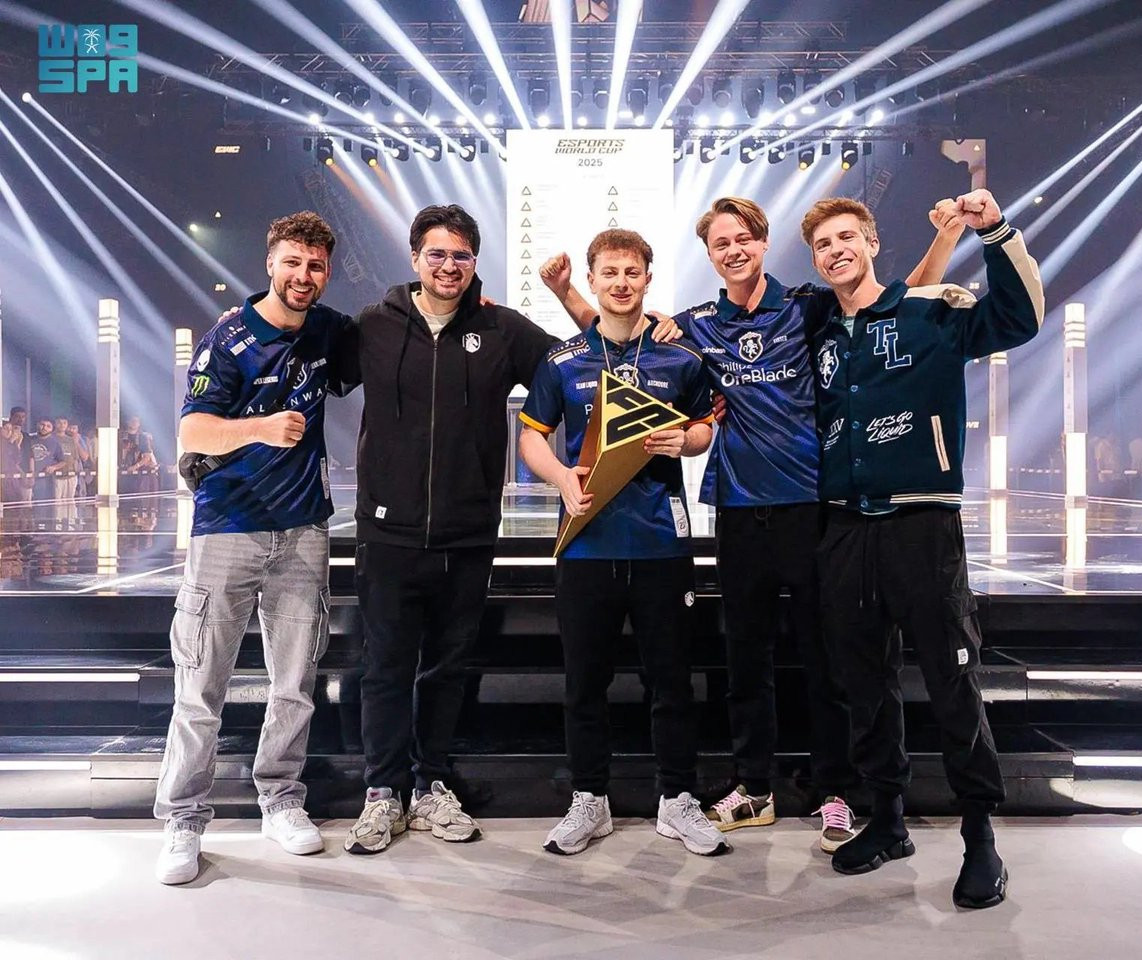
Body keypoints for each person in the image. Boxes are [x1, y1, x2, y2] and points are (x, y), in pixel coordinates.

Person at [541, 196, 961, 850]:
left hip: (812, 510)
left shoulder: (807, 306)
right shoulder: (695, 326)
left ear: (763, 244)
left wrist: (949, 237)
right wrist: (569, 292)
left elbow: (894, 301)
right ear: (710, 255)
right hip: (737, 511)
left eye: (743, 239)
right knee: (746, 661)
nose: (733, 250)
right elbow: (614, 333)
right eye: (720, 244)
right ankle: (754, 787)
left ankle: (835, 792)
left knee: (825, 661)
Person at [802, 191, 1042, 908]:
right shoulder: (819, 334)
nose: (836, 250)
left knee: (952, 681)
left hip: (922, 527)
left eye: (847, 236)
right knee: (865, 684)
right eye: (823, 244)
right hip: (844, 529)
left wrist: (994, 231)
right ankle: (888, 820)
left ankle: (981, 839)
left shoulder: (930, 313)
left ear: (872, 242)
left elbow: (1020, 317)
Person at [337, 204, 572, 855]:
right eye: (436, 254)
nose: (448, 266)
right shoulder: (374, 326)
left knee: (446, 669)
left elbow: (576, 366)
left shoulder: (502, 329)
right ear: (415, 258)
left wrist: (587, 303)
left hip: (467, 534)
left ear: (475, 263)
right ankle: (382, 793)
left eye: (461, 255)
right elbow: (311, 367)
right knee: (385, 668)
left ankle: (431, 783)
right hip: (387, 534)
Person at [153, 211, 351, 885]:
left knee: (295, 684)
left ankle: (281, 800)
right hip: (227, 529)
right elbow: (193, 434)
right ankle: (183, 820)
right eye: (292, 262)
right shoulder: (228, 338)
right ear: (270, 264)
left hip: (303, 531)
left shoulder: (326, 330)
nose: (303, 276)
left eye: (315, 265)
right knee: (201, 686)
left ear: (327, 272)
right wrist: (260, 428)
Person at [519, 228, 727, 857]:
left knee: (671, 682)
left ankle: (677, 799)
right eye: (609, 273)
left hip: (662, 545)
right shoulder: (562, 361)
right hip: (587, 546)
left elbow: (703, 429)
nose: (620, 283)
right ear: (592, 279)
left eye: (631, 272)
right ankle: (590, 799)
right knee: (585, 683)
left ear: (647, 279)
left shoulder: (680, 358)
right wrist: (561, 478)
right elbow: (531, 436)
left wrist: (685, 442)